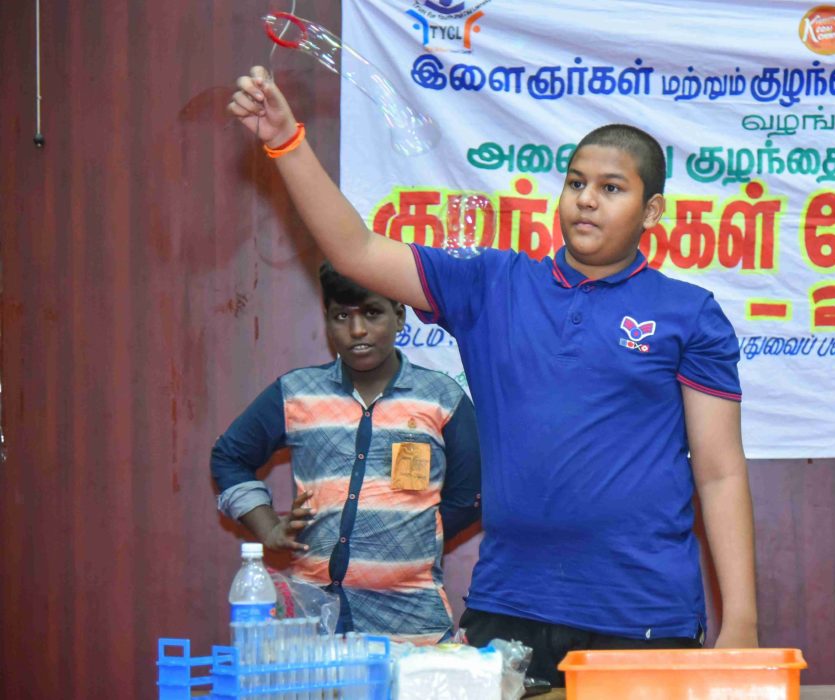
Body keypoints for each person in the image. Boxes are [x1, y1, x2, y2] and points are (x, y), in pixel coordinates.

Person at [227, 67, 758, 685]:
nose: (586, 198)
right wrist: (286, 142)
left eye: (612, 187)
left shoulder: (689, 314)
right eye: (576, 182)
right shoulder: (492, 284)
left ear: (652, 211)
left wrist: (740, 617)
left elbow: (719, 472)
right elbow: (357, 252)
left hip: (642, 613)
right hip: (509, 603)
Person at [211, 262, 482, 643]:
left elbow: (471, 494)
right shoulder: (297, 392)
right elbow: (229, 458)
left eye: (372, 313)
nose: (357, 331)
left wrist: (417, 535)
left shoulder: (442, 398)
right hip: (314, 624)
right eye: (342, 316)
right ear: (326, 319)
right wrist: (268, 526)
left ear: (399, 315)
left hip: (412, 625)